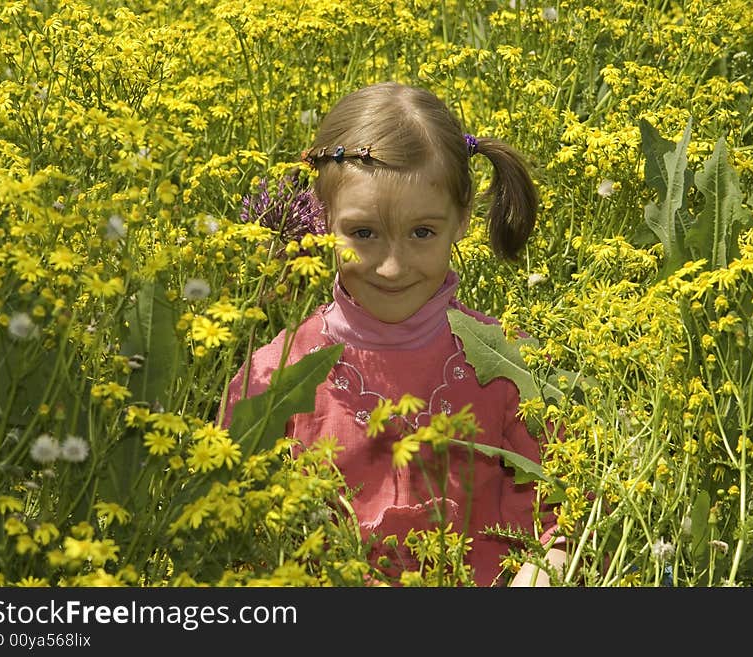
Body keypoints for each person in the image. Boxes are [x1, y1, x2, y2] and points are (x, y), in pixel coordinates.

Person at [221, 81, 563, 587]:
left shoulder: (507, 366)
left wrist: (543, 568)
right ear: (322, 219)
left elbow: (559, 523)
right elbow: (236, 540)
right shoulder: (275, 379)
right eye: (364, 234)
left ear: (462, 219)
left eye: (422, 232)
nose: (391, 266)